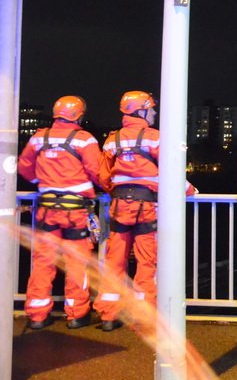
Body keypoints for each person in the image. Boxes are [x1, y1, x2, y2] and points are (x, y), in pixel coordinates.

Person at [93, 90, 195, 332]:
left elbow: (103, 175)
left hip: (119, 206)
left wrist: (116, 191)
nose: (155, 113)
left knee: (114, 261)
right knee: (146, 262)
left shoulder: (112, 140)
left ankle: (108, 314)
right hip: (147, 207)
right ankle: (143, 316)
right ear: (141, 111)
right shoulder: (156, 138)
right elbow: (171, 170)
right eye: (151, 109)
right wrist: (189, 190)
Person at [17, 96, 104, 329]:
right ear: (80, 115)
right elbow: (96, 172)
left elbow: (24, 166)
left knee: (43, 261)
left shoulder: (39, 137)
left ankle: (37, 315)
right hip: (75, 211)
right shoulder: (85, 140)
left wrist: (41, 181)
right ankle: (77, 314)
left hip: (46, 211)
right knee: (76, 262)